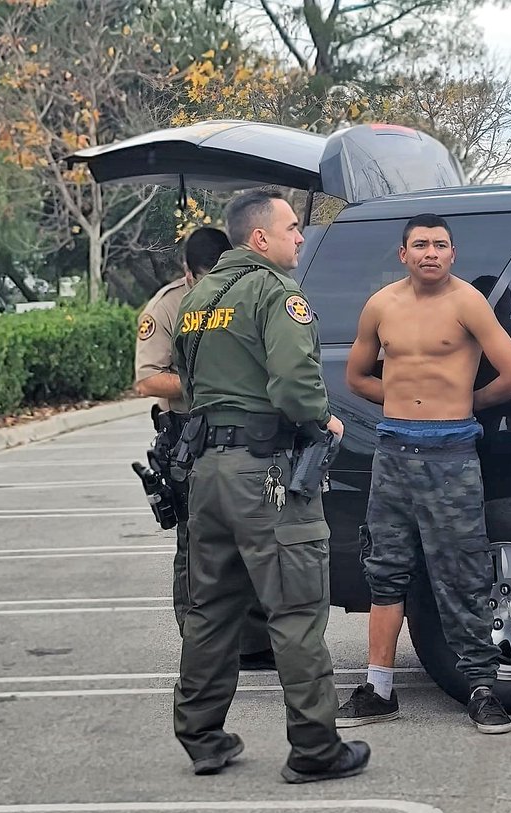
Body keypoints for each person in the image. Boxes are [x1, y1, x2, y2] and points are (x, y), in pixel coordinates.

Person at [170, 189, 370, 782]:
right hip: (268, 477)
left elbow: (188, 383)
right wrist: (322, 419)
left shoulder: (198, 298)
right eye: (291, 228)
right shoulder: (277, 293)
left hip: (208, 475)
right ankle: (315, 749)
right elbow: (294, 387)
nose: (300, 237)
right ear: (260, 239)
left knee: (211, 608)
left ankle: (202, 737)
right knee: (296, 610)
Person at [338, 213, 511, 734]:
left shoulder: (468, 302)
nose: (431, 253)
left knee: (462, 574)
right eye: (420, 244)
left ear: (452, 254)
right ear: (403, 253)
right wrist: (402, 398)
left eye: (440, 245)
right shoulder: (381, 306)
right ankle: (378, 689)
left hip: (451, 458)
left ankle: (481, 688)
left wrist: (462, 403)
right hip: (394, 453)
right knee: (385, 571)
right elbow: (356, 377)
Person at [134, 227, 275, 671]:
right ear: (187, 272)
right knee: (196, 542)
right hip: (187, 431)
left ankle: (253, 642)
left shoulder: (247, 292)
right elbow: (148, 379)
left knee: (250, 536)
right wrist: (207, 383)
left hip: (241, 431)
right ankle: (198, 641)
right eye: (202, 277)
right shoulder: (167, 306)